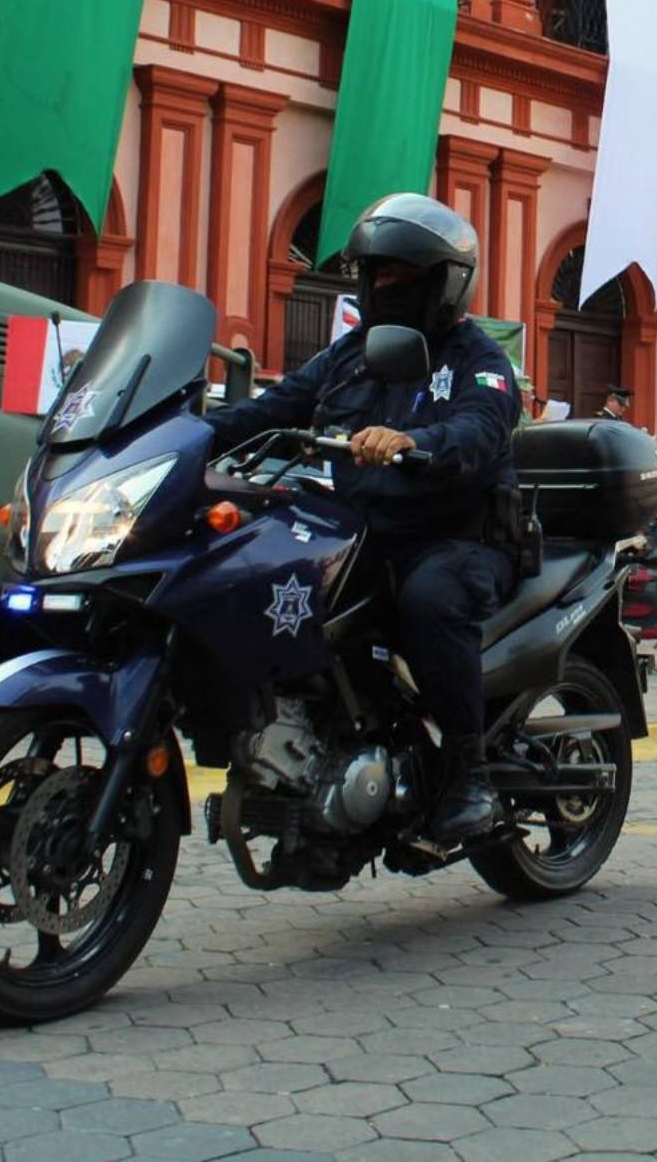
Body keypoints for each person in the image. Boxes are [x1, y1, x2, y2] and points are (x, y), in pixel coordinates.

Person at [204, 194, 524, 844]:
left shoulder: (478, 360)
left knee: (431, 602)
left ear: (446, 283)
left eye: (403, 277)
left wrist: (415, 442)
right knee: (267, 572)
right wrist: (183, 434)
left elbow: (480, 428)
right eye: (376, 275)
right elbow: (279, 405)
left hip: (458, 537)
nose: (386, 287)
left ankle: (470, 772)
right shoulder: (350, 354)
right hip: (366, 532)